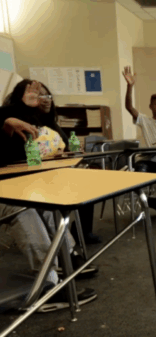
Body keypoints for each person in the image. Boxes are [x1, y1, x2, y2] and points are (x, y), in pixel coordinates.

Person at [0, 80, 98, 312]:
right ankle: (47, 286)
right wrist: (10, 116)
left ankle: (66, 259)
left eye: (45, 95)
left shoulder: (31, 122)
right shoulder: (7, 117)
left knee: (48, 205)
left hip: (18, 183)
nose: (41, 98)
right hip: (6, 192)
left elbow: (47, 142)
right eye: (34, 95)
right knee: (22, 209)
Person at [123, 66, 156, 216]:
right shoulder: (145, 120)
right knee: (137, 181)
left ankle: (151, 204)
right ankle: (146, 202)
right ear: (151, 106)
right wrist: (130, 86)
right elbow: (129, 107)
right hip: (144, 160)